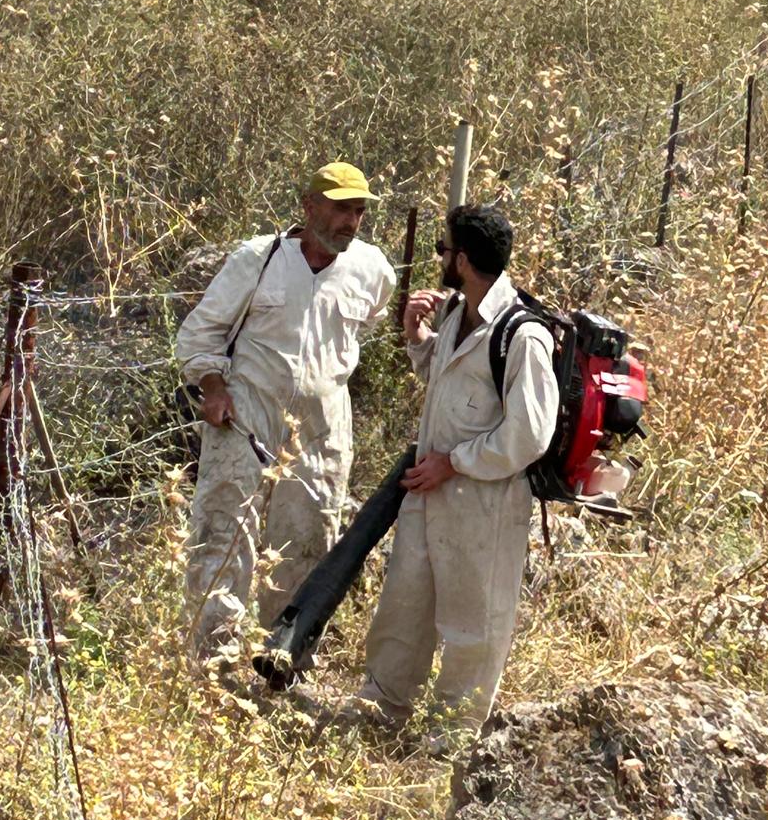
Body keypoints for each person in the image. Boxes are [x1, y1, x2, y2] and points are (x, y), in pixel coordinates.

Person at [176, 162, 396, 659]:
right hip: (246, 417)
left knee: (309, 545)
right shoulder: (258, 259)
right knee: (224, 540)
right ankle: (214, 667)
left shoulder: (373, 269)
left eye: (359, 211)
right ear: (309, 205)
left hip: (320, 433)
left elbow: (366, 327)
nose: (350, 221)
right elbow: (199, 334)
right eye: (341, 208)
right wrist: (213, 387)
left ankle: (280, 663)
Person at [359, 203, 559, 730]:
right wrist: (416, 335)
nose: (439, 258)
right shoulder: (455, 310)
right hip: (431, 491)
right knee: (405, 607)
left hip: (484, 506)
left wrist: (455, 463)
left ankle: (449, 742)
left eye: (443, 249)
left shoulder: (523, 336)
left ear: (463, 259)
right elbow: (447, 385)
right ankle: (380, 713)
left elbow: (528, 434)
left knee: (474, 626)